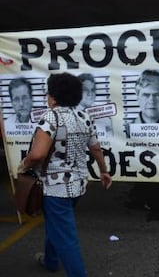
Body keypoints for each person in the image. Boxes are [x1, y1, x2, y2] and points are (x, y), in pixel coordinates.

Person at [17, 72, 112, 277]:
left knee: (66, 236)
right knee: (57, 225)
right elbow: (96, 149)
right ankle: (50, 261)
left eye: (48, 93)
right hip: (78, 185)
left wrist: (23, 165)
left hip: (55, 188)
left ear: (53, 96)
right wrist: (104, 172)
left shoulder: (51, 116)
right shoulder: (84, 116)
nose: (47, 97)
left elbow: (38, 154)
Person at [126, 69, 159, 138]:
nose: (151, 100)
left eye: (157, 95)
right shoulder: (126, 131)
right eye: (146, 95)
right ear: (137, 96)